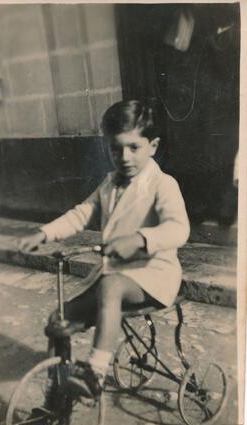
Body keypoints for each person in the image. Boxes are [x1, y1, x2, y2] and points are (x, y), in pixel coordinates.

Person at [18, 100, 190, 400]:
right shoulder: (109, 184)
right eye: (115, 149)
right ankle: (58, 397)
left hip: (155, 274)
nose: (124, 157)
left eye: (133, 147)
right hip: (116, 275)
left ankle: (95, 374)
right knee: (59, 318)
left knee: (109, 286)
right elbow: (82, 213)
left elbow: (179, 229)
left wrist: (139, 238)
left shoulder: (163, 184)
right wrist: (44, 233)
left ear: (153, 145)